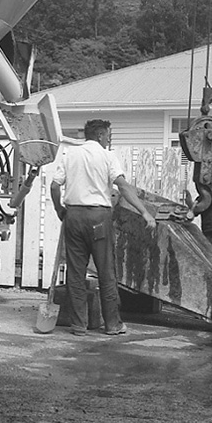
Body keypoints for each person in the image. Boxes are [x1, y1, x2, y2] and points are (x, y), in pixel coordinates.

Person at [50, 119, 156, 336]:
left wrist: (60, 210)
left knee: (75, 272)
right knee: (106, 271)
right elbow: (123, 187)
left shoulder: (70, 154)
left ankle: (79, 325)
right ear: (99, 135)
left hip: (74, 217)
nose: (109, 139)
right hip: (99, 218)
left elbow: (54, 185)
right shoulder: (107, 157)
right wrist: (144, 212)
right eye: (108, 135)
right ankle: (112, 325)